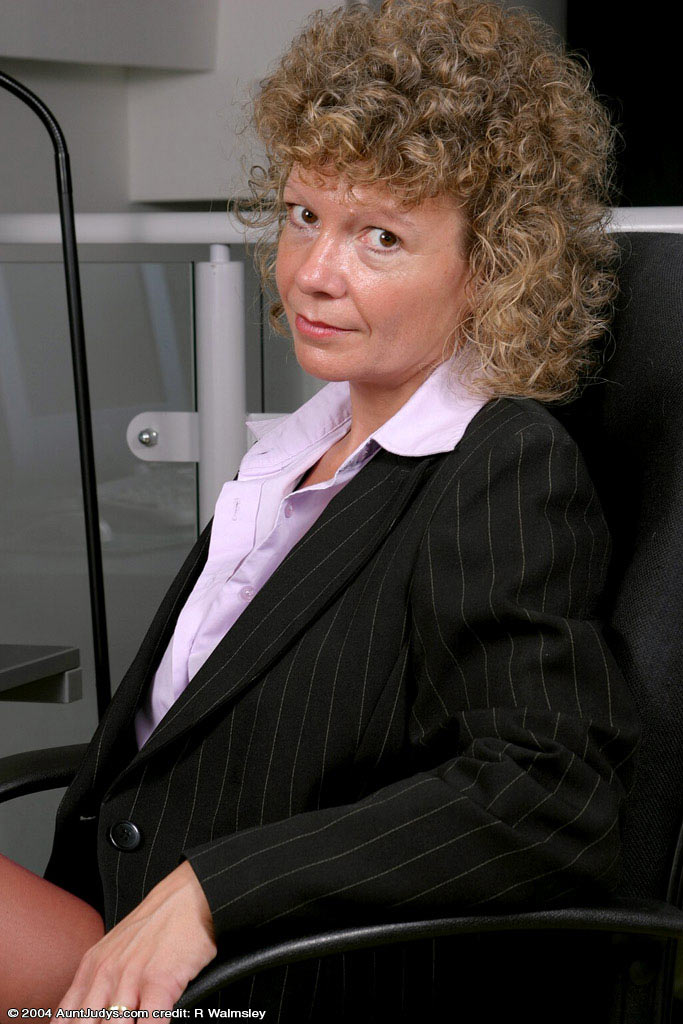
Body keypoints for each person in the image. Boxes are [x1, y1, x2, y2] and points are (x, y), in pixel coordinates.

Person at [0, 1, 641, 1020]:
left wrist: (215, 891)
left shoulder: (501, 464)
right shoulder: (301, 448)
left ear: (491, 267)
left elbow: (548, 790)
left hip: (270, 970)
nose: (312, 274)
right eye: (304, 215)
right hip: (121, 923)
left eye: (380, 237)